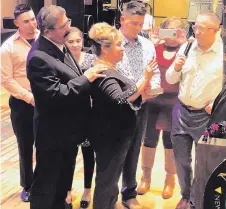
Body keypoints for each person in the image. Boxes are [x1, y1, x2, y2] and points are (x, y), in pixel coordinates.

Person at [26, 5, 106, 209]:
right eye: (63, 25)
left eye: (68, 21)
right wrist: (86, 79)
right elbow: (54, 95)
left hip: (69, 133)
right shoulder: (38, 57)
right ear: (47, 31)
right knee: (46, 185)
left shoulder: (60, 45)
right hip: (53, 135)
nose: (69, 28)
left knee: (62, 183)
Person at [87, 22, 155, 209]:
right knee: (107, 179)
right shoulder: (103, 71)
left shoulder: (110, 67)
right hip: (110, 134)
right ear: (105, 48)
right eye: (118, 45)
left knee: (111, 177)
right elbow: (120, 99)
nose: (122, 48)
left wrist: (142, 90)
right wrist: (145, 80)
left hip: (117, 132)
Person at [166, 12, 223, 209]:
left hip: (206, 117)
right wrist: (176, 68)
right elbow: (171, 78)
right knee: (181, 159)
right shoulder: (187, 47)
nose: (195, 31)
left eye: (201, 28)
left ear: (215, 30)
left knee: (203, 161)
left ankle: (196, 200)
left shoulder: (224, 52)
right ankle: (185, 195)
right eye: (195, 26)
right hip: (181, 112)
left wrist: (218, 102)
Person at [117, 1, 161, 208]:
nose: (138, 28)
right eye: (134, 23)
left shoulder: (147, 45)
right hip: (115, 107)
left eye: (141, 23)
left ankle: (129, 193)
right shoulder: (110, 43)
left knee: (134, 150)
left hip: (142, 105)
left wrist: (152, 88)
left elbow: (156, 73)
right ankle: (107, 195)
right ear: (122, 19)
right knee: (112, 154)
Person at [137, 17, 186, 199]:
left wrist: (183, 42)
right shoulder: (154, 48)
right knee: (148, 139)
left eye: (176, 31)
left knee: (170, 141)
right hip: (153, 101)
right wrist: (154, 42)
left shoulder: (185, 50)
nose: (171, 36)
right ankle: (146, 176)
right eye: (168, 31)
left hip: (173, 103)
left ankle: (170, 180)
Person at [0, 4, 38, 202]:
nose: (32, 24)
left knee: (46, 144)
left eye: (33, 19)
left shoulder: (45, 39)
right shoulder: (8, 48)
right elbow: (6, 80)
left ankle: (44, 182)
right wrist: (29, 97)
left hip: (48, 102)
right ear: (16, 23)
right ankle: (28, 185)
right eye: (26, 21)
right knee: (25, 145)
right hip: (23, 104)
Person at [64, 27, 96, 209]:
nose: (75, 44)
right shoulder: (62, 61)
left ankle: (87, 189)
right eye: (71, 41)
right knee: (68, 154)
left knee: (88, 154)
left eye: (78, 41)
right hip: (68, 115)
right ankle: (67, 190)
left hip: (88, 114)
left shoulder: (91, 60)